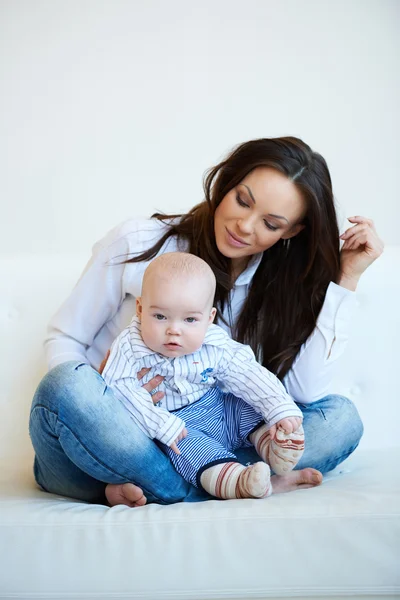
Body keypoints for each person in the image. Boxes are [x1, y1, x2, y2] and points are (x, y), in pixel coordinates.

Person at [29, 136, 383, 508]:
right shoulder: (139, 241)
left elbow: (303, 393)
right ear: (226, 184)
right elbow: (64, 339)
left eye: (270, 223)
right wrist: (108, 396)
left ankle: (198, 479)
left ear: (291, 232)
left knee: (340, 419)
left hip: (205, 434)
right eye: (242, 200)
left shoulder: (279, 287)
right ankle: (214, 484)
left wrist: (346, 280)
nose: (244, 226)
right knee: (68, 385)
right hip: (117, 434)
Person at [102, 252, 306, 500]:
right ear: (141, 308)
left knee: (248, 408)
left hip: (219, 408)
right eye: (159, 316)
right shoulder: (129, 346)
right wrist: (160, 424)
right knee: (188, 451)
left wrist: (279, 407)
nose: (174, 330)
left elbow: (245, 372)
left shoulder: (213, 341)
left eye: (190, 319)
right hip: (178, 426)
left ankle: (275, 446)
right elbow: (119, 388)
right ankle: (239, 481)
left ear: (208, 319)